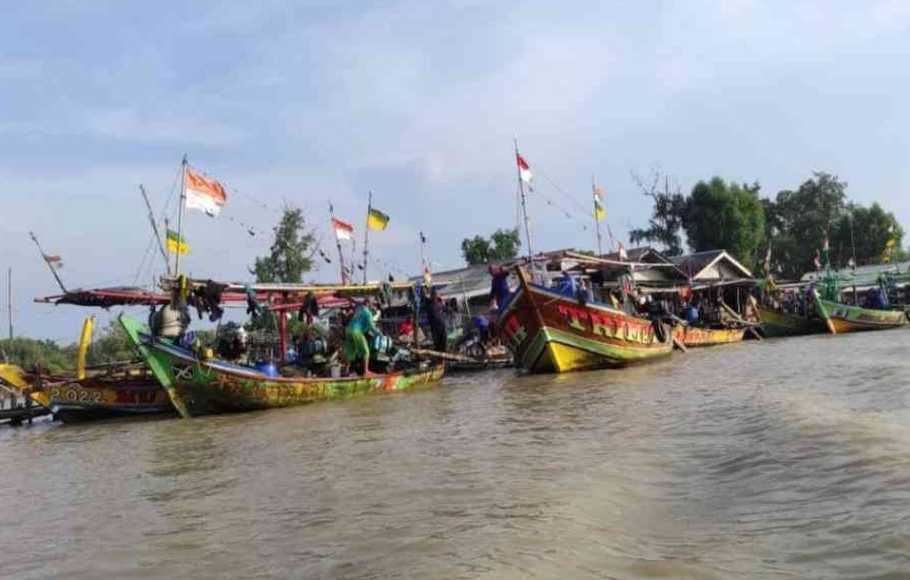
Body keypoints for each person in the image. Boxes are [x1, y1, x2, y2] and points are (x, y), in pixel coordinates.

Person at [344, 301, 382, 377]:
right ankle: (366, 371)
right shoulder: (368, 313)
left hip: (348, 330)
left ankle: (346, 371)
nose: (374, 308)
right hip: (356, 331)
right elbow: (372, 327)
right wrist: (380, 334)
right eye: (374, 306)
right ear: (370, 305)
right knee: (366, 351)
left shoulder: (360, 309)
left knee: (350, 352)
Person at [424, 288, 448, 352]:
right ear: (431, 296)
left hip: (441, 324)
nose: (434, 296)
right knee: (437, 340)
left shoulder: (440, 303)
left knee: (443, 339)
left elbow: (446, 309)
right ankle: (439, 351)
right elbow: (425, 297)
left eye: (435, 295)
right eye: (433, 295)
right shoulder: (429, 303)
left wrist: (443, 302)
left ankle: (443, 351)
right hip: (434, 325)